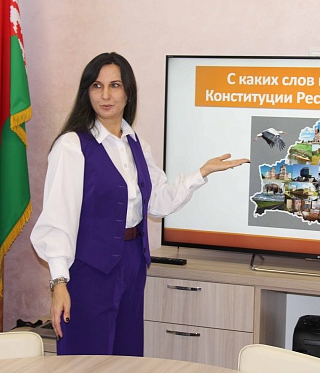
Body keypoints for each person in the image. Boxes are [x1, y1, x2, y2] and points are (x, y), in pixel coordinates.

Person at [30, 52, 249, 356]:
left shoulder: (136, 143)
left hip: (133, 262)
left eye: (115, 85)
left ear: (128, 92)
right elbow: (58, 219)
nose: (105, 95)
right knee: (86, 358)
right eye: (96, 86)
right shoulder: (71, 145)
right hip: (89, 269)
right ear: (86, 92)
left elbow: (156, 202)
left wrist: (201, 173)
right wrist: (58, 283)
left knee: (127, 355)